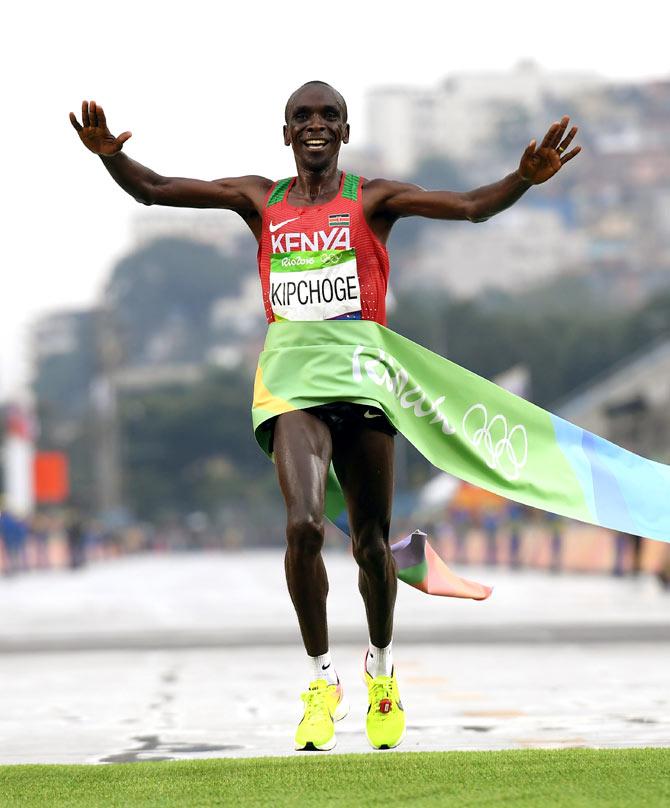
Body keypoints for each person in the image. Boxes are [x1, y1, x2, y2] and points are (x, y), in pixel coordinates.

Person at [70, 83, 580, 751]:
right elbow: (158, 188)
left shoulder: (372, 200)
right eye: (301, 118)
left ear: (344, 131)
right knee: (304, 526)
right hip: (290, 387)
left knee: (372, 546)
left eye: (327, 117)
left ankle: (382, 669)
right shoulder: (261, 200)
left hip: (365, 385)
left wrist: (522, 177)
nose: (315, 126)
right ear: (286, 134)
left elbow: (467, 206)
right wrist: (111, 156)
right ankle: (320, 681)